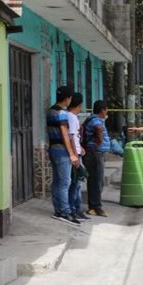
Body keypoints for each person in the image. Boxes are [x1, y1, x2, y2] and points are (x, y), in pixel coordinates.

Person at [47, 86, 81, 225]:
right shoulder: (62, 114)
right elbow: (65, 135)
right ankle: (65, 212)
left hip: (52, 149)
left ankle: (58, 210)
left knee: (57, 181)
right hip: (61, 151)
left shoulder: (50, 111)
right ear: (67, 98)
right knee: (64, 182)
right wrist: (72, 154)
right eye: (70, 98)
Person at [83, 100, 111, 217]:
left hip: (94, 153)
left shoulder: (93, 118)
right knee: (97, 181)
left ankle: (93, 206)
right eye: (106, 110)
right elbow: (99, 129)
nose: (107, 112)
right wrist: (98, 143)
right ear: (102, 110)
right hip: (95, 154)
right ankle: (96, 207)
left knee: (95, 180)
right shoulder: (96, 121)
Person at [66, 93, 88, 221]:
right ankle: (73, 209)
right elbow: (72, 136)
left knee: (78, 183)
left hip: (77, 152)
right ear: (79, 105)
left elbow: (75, 138)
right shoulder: (72, 118)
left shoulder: (69, 116)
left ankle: (77, 209)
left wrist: (80, 147)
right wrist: (75, 154)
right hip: (76, 155)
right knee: (75, 183)